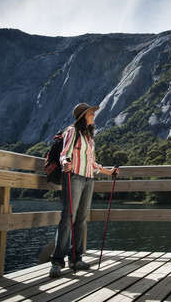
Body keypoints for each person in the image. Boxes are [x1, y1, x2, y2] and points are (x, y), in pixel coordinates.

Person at [49, 103, 118, 278]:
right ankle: (57, 261)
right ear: (83, 116)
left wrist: (108, 171)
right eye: (90, 113)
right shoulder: (73, 131)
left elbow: (92, 162)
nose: (93, 115)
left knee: (81, 219)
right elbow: (65, 153)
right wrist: (65, 163)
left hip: (89, 179)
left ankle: (76, 258)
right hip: (74, 177)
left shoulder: (89, 136)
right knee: (67, 218)